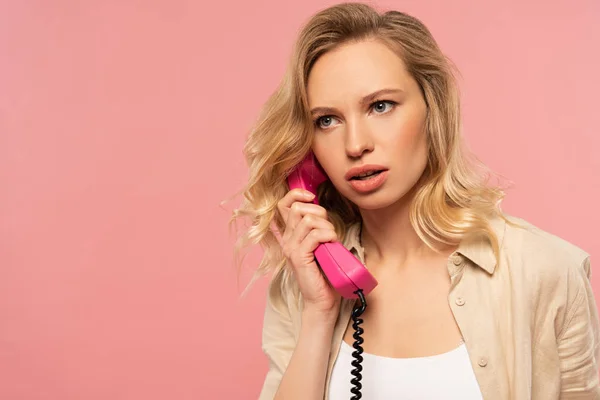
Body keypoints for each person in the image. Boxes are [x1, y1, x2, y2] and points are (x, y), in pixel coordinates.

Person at [227, 2, 600, 399]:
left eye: (380, 106)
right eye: (327, 120)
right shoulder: (302, 283)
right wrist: (319, 313)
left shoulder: (546, 270)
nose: (355, 145)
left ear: (433, 109)